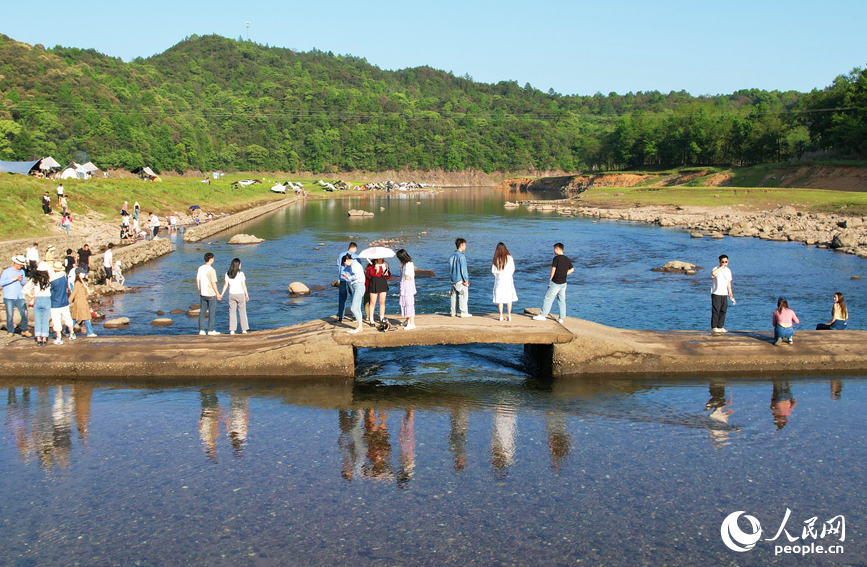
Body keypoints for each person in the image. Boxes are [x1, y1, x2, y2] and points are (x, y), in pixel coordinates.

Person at [533, 243, 574, 323]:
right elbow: (572, 269)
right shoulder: (567, 259)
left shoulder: (556, 258)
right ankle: (561, 318)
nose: (554, 251)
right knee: (561, 300)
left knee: (548, 298)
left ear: (558, 249)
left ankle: (543, 315)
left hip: (555, 282)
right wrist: (564, 273)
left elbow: (553, 269)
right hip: (563, 283)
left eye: (554, 249)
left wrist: (551, 279)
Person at [1, 255, 31, 338]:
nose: (21, 266)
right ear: (16, 263)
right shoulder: (6, 271)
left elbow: (24, 283)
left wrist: (21, 280)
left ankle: (24, 330)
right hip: (9, 296)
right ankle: (10, 331)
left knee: (24, 313)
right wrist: (12, 279)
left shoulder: (22, 272)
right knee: (10, 315)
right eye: (20, 265)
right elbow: (1, 282)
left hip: (19, 296)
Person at [23, 262, 52, 346]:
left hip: (37, 299)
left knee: (37, 319)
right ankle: (44, 338)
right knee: (45, 320)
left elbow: (25, 288)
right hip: (47, 299)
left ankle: (38, 338)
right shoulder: (49, 278)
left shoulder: (34, 279)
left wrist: (31, 295)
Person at [220, 258, 249, 335]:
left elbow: (225, 285)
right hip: (240, 294)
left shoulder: (227, 274)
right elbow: (243, 285)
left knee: (232, 312)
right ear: (238, 265)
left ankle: (232, 330)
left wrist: (222, 294)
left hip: (231, 294)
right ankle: (244, 329)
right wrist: (246, 294)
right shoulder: (241, 274)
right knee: (242, 312)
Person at [49, 260, 75, 344]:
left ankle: (59, 337)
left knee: (56, 321)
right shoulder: (64, 277)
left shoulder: (52, 280)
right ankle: (72, 333)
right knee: (68, 318)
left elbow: (50, 291)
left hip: (55, 302)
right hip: (64, 301)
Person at [196, 252, 222, 335]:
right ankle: (210, 330)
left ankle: (201, 330)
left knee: (202, 312)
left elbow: (197, 280)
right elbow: (213, 283)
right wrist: (218, 294)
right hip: (211, 293)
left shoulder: (200, 268)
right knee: (212, 312)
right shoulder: (212, 270)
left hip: (202, 293)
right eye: (213, 258)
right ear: (211, 259)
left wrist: (199, 290)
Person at [491, 242, 517, 321]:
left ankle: (501, 315)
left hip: (499, 279)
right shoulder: (510, 258)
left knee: (500, 298)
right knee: (509, 298)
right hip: (508, 279)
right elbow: (513, 269)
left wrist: (497, 275)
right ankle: (509, 315)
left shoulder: (496, 258)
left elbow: (493, 271)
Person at [341, 253, 366, 334]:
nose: (346, 265)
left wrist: (348, 277)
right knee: (357, 308)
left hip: (359, 286)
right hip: (359, 286)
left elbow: (357, 276)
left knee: (354, 308)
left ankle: (360, 326)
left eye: (345, 263)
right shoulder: (356, 264)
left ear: (347, 260)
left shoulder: (354, 265)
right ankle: (360, 326)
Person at [336, 242, 360, 322]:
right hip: (352, 280)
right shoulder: (356, 256)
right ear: (355, 248)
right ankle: (354, 316)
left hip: (342, 279)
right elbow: (358, 268)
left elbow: (338, 266)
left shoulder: (341, 255)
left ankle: (340, 316)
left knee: (342, 299)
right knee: (354, 297)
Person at [711, 254, 735, 333]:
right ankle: (714, 326)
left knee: (723, 310)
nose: (725, 263)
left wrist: (730, 292)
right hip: (716, 293)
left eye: (726, 262)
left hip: (724, 293)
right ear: (720, 262)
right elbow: (713, 274)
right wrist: (721, 267)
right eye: (723, 262)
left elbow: (728, 282)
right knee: (716, 310)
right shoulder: (716, 269)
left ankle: (720, 326)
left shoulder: (728, 270)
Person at [69, 270, 96, 337]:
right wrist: (68, 301)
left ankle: (67, 331)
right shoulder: (77, 283)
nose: (84, 274)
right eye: (82, 273)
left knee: (74, 318)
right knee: (86, 318)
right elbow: (73, 293)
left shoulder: (81, 282)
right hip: (80, 303)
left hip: (83, 302)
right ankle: (90, 333)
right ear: (78, 274)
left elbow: (86, 293)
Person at [449, 238, 471, 318]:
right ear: (461, 246)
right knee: (463, 295)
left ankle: (453, 312)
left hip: (453, 279)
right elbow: (463, 269)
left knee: (453, 296)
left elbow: (451, 268)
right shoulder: (461, 256)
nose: (465, 247)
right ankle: (463, 312)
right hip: (460, 279)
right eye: (464, 245)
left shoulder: (452, 256)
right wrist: (466, 280)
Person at [396, 249, 416, 330]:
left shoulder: (408, 264)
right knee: (406, 303)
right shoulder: (405, 264)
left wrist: (406, 277)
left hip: (407, 286)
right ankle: (408, 320)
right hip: (404, 285)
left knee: (409, 304)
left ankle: (412, 323)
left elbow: (409, 275)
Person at [366, 258, 390, 325]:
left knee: (382, 301)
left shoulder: (386, 264)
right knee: (372, 302)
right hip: (374, 282)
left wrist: (387, 274)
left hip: (382, 282)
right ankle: (371, 319)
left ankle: (382, 318)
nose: (381, 258)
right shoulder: (372, 264)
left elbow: (388, 276)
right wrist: (374, 268)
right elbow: (368, 273)